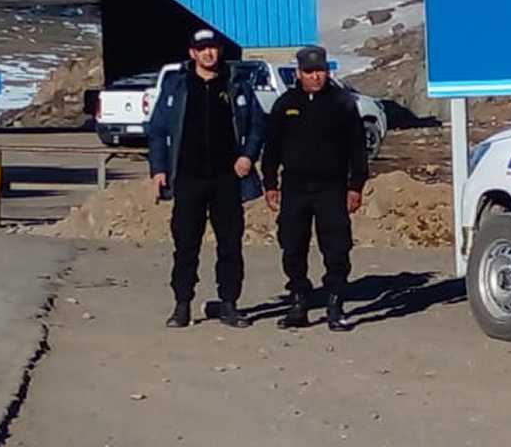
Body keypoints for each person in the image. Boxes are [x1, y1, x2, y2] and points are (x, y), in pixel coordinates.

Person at [146, 29, 267, 329]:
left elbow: (257, 125)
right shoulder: (178, 86)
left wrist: (247, 156)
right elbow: (157, 130)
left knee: (230, 244)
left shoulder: (237, 84)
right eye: (202, 49)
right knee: (186, 244)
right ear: (192, 53)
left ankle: (229, 305)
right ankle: (182, 305)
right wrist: (158, 169)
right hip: (188, 178)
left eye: (212, 48)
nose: (208, 54)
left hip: (227, 178)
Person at [261, 45, 367, 332]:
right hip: (295, 188)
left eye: (320, 71)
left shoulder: (342, 103)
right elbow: (271, 148)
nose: (315, 77)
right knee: (292, 245)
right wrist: (270, 183)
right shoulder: (285, 104)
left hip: (331, 188)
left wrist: (355, 185)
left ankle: (335, 304)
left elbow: (358, 148)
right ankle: (298, 301)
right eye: (309, 72)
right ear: (298, 73)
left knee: (336, 247)